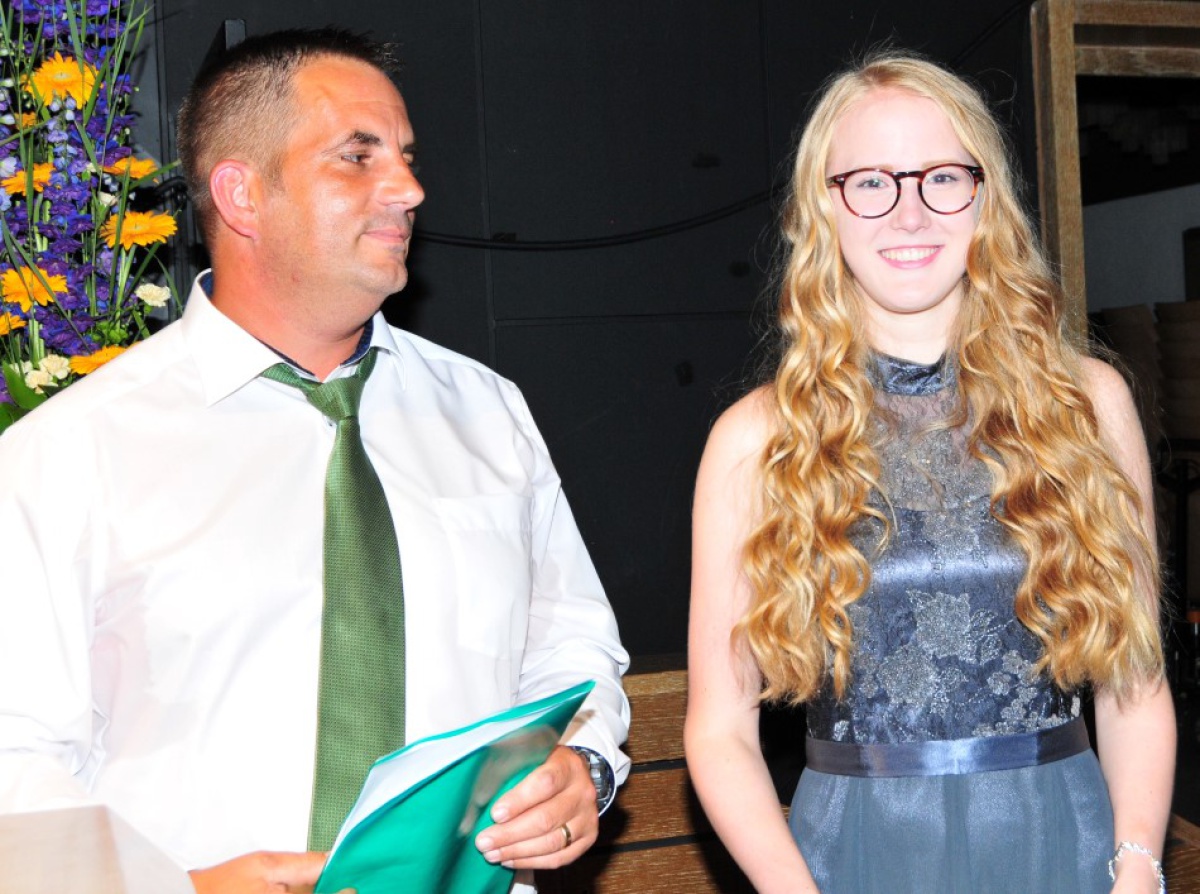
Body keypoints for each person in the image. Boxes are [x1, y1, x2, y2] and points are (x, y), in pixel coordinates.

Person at [0, 28, 629, 894]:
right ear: (243, 195)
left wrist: (582, 764)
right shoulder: (68, 452)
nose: (409, 189)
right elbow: (17, 758)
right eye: (358, 157)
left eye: (406, 158)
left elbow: (569, 647)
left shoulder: (486, 413)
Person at [684, 51, 1175, 894]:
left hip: (1063, 840)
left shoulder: (1088, 403)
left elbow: (1135, 681)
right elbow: (718, 730)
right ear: (823, 208)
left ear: (986, 199)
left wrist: (1138, 871)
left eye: (943, 177)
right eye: (871, 183)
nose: (909, 212)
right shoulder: (756, 439)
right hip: (853, 855)